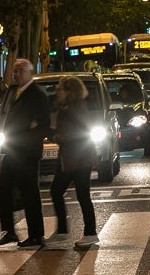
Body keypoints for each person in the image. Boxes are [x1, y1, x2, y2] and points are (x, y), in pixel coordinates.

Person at [0, 58, 50, 249]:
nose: (15, 74)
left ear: (28, 72)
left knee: (30, 192)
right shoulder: (15, 92)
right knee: (1, 185)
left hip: (26, 152)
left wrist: (27, 130)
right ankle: (9, 231)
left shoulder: (37, 94)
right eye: (14, 71)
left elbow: (42, 124)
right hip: (12, 150)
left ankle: (36, 235)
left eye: (19, 71)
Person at [47, 76, 99, 250]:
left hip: (79, 158)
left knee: (81, 195)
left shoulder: (76, 108)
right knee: (59, 191)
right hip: (71, 158)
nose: (57, 91)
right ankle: (63, 231)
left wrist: (62, 137)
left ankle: (90, 233)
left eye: (60, 88)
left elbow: (82, 131)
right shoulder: (68, 107)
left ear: (70, 92)